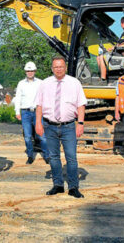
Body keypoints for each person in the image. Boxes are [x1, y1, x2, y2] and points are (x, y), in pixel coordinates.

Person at [35, 56, 87, 198]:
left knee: (71, 157)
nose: (58, 69)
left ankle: (73, 187)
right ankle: (58, 185)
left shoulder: (74, 83)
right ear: (52, 68)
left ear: (65, 67)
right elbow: (39, 105)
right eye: (56, 67)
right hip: (49, 125)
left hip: (68, 126)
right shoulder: (45, 84)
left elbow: (81, 104)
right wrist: (38, 123)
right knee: (54, 157)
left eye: (61, 66)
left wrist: (80, 123)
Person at [15, 61, 49, 164]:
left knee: (41, 135)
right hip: (25, 112)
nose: (30, 73)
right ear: (25, 72)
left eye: (31, 71)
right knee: (28, 136)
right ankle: (30, 155)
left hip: (38, 112)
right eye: (28, 71)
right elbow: (18, 98)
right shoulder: (21, 84)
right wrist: (17, 112)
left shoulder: (41, 83)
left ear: (35, 71)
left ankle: (47, 156)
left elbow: (45, 97)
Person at [97, 16, 124, 81]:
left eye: (123, 22)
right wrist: (111, 48)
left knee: (102, 57)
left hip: (122, 53)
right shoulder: (123, 33)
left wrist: (117, 46)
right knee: (98, 57)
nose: (121, 23)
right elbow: (119, 43)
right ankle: (102, 75)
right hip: (118, 51)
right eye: (121, 22)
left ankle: (103, 79)